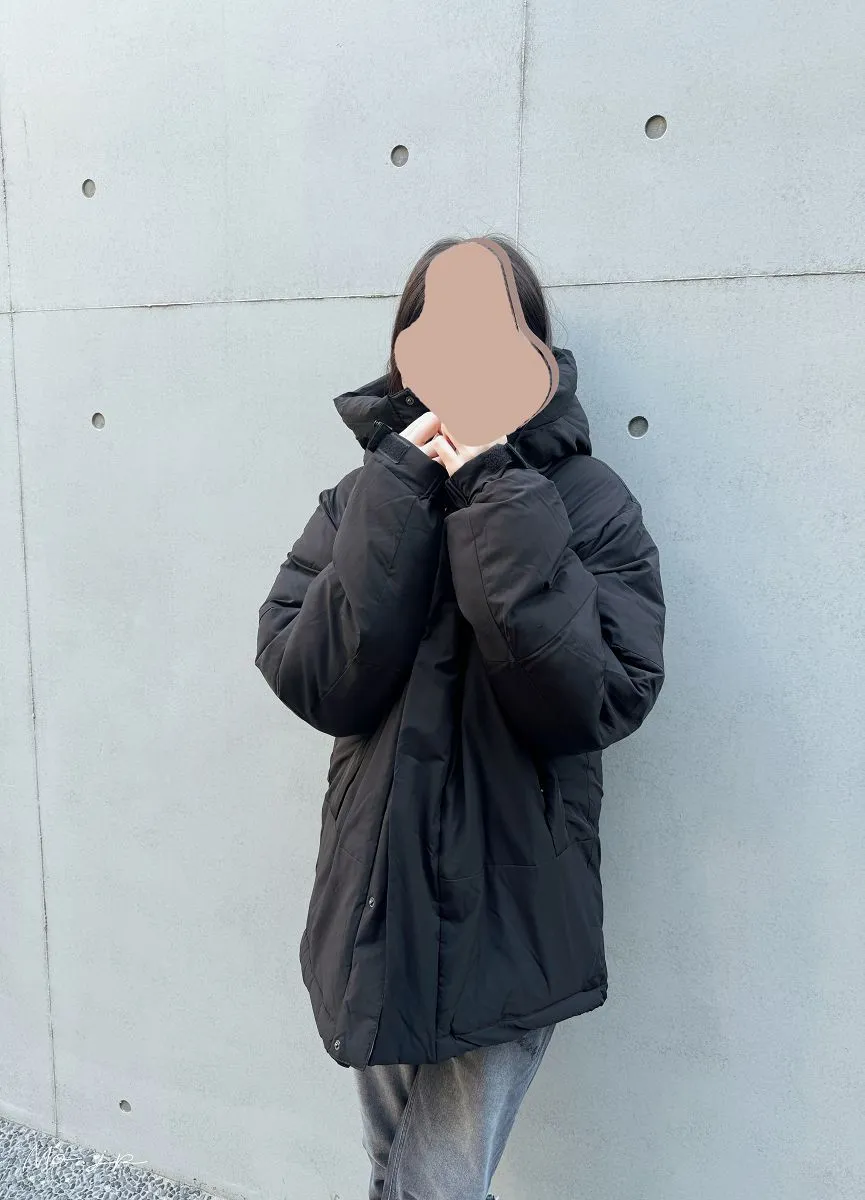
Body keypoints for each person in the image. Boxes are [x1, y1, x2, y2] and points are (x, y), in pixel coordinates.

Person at [254, 234, 666, 1200]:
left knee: (435, 1185)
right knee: (392, 1169)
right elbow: (314, 676)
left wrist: (493, 491)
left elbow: (598, 693)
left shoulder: (586, 501)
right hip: (375, 895)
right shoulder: (362, 497)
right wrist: (401, 487)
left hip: (509, 906)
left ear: (532, 349)